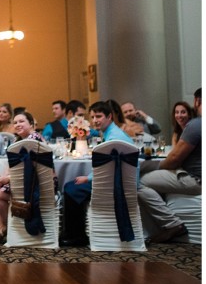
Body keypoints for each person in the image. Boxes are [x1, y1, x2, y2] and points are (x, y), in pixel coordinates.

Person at [60, 100, 135, 247]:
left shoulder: (114, 137)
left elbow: (109, 168)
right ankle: (74, 233)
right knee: (72, 186)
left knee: (71, 189)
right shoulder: (111, 133)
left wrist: (88, 178)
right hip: (118, 179)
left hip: (118, 183)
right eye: (93, 117)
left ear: (109, 117)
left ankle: (76, 236)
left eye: (99, 116)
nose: (95, 120)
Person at [138, 115, 200, 243]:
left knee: (138, 181)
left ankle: (172, 224)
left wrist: (155, 167)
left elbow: (174, 160)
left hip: (196, 180)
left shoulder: (196, 125)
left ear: (197, 101)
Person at [0, 110, 43, 244]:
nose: (17, 124)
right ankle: (1, 227)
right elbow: (12, 166)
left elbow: (32, 170)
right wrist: (2, 177)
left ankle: (2, 228)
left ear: (31, 124)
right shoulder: (19, 141)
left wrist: (8, 179)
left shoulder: (34, 140)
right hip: (23, 182)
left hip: (36, 185)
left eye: (21, 121)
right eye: (15, 122)